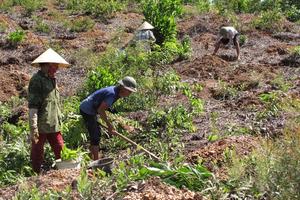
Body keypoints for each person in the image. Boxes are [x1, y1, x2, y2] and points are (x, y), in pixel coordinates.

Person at [28, 48, 70, 173]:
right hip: (41, 123)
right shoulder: (37, 80)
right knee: (37, 150)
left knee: (60, 148)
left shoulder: (52, 79)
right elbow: (33, 105)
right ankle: (36, 174)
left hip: (53, 122)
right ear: (46, 65)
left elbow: (54, 102)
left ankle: (64, 171)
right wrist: (33, 126)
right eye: (54, 65)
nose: (56, 68)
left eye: (57, 66)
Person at [80, 76, 137, 160]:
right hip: (87, 110)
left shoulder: (116, 92)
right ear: (122, 88)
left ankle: (91, 155)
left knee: (97, 133)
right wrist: (109, 125)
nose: (129, 93)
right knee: (95, 135)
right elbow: (100, 110)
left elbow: (102, 106)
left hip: (93, 108)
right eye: (129, 91)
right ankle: (96, 162)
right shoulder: (112, 94)